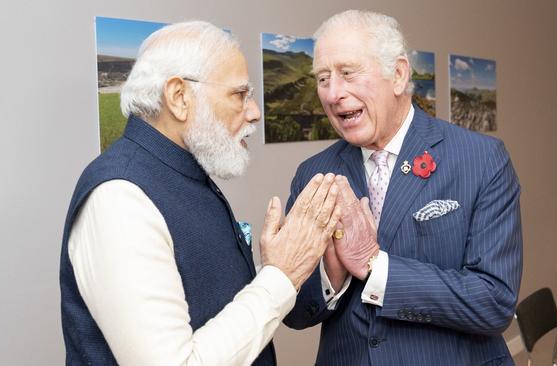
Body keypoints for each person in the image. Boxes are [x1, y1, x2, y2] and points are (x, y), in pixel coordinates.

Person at [60, 21, 341, 365]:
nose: (254, 112)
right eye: (240, 94)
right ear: (179, 97)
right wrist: (280, 277)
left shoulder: (180, 172)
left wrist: (275, 265)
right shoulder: (120, 198)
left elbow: (198, 292)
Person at [283, 10, 523, 365]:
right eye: (322, 78)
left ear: (398, 75)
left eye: (348, 73)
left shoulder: (481, 159)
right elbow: (296, 313)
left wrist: (375, 267)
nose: (333, 94)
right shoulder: (314, 175)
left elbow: (493, 302)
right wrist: (328, 277)